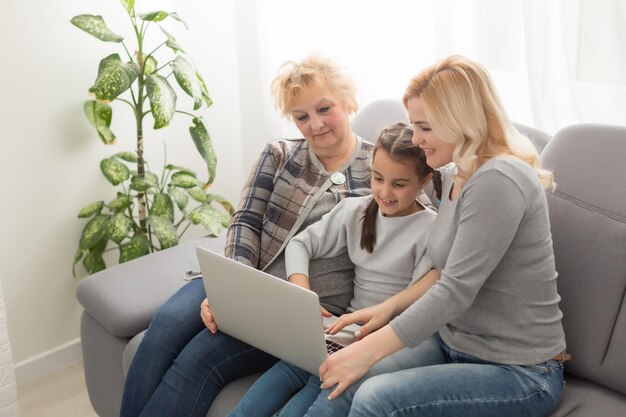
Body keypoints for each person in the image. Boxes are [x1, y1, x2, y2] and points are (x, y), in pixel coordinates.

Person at [303, 55, 567, 417]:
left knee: (374, 396)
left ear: (460, 121)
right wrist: (385, 310)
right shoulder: (456, 174)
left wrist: (368, 351)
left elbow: (456, 289)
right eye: (414, 125)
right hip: (453, 342)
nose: (416, 139)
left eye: (424, 127)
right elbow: (442, 270)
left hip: (520, 370)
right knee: (342, 383)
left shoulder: (500, 179)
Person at [119, 55, 376, 417]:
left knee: (199, 358)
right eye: (302, 116)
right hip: (243, 280)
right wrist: (231, 292)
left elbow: (413, 229)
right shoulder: (279, 154)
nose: (315, 124)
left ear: (348, 100)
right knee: (163, 327)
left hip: (301, 312)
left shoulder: (382, 168)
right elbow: (245, 222)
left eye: (324, 108)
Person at [227, 123, 442, 417]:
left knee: (305, 402)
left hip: (378, 341)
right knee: (264, 392)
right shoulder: (356, 209)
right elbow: (300, 244)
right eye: (377, 178)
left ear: (424, 181)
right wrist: (302, 292)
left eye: (399, 184)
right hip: (338, 332)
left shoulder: (430, 229)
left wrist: (364, 341)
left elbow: (416, 306)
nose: (385, 192)